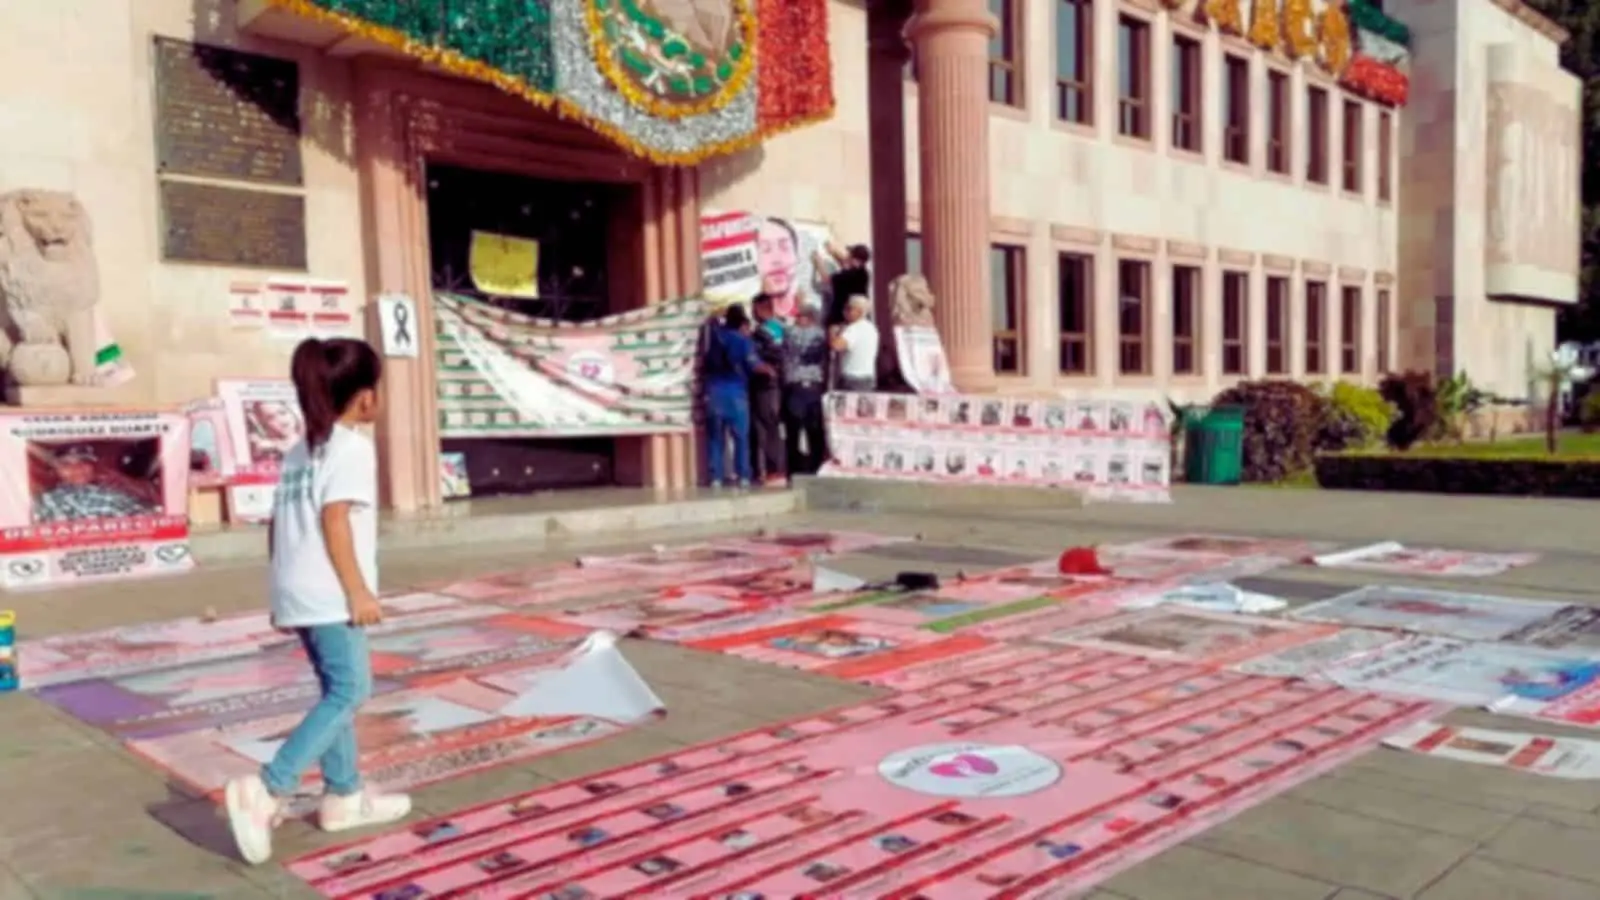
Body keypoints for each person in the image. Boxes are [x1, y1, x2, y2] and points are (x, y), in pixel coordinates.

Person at [222, 337, 408, 866]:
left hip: (299, 589)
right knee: (351, 689)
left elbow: (278, 525)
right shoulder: (351, 448)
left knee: (336, 690)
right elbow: (335, 521)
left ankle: (344, 796)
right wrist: (358, 591)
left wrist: (281, 592)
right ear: (365, 396)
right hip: (330, 593)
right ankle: (267, 788)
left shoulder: (301, 452)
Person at [701, 304, 771, 488]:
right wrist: (771, 370)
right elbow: (755, 365)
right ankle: (743, 476)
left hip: (713, 392)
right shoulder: (742, 341)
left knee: (715, 438)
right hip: (735, 393)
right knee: (740, 437)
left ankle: (715, 477)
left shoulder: (713, 337)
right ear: (742, 323)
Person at [31, 444, 159, 522]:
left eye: (83, 462)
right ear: (55, 471)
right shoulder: (45, 500)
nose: (77, 468)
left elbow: (150, 517)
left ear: (93, 467)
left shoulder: (114, 494)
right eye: (66, 464)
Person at [781, 300, 830, 477]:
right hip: (812, 385)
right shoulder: (822, 335)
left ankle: (794, 470)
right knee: (813, 431)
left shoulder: (790, 333)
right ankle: (814, 468)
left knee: (795, 431)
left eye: (800, 316)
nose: (798, 319)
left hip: (796, 385)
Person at [748, 294, 786, 486]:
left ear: (761, 309)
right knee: (771, 426)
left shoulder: (763, 331)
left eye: (754, 309)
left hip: (766, 384)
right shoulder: (781, 327)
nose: (752, 313)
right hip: (775, 384)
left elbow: (768, 356)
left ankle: (773, 470)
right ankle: (772, 469)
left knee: (767, 426)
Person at [830, 294, 880, 392]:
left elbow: (836, 345)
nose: (844, 312)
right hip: (867, 377)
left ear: (859, 311)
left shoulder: (854, 329)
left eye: (849, 309)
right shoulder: (871, 328)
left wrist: (832, 333)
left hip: (852, 379)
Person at [816, 241, 872, 327]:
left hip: (842, 317)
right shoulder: (863, 273)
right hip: (854, 315)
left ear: (856, 260)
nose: (847, 256)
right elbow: (844, 262)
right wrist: (833, 252)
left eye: (850, 255)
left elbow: (826, 280)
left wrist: (818, 263)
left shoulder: (849, 275)